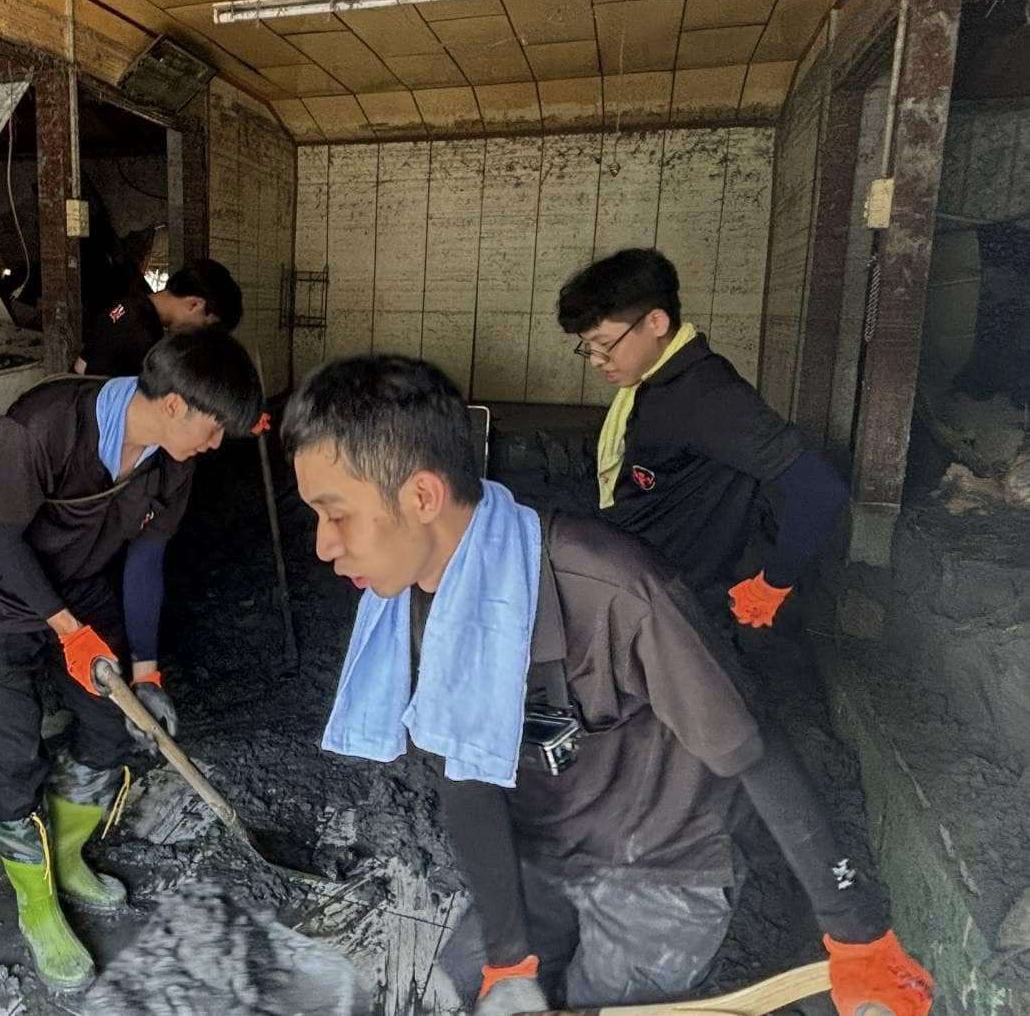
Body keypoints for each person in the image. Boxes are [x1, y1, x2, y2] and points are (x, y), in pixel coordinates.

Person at [281, 353, 933, 1016]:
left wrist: (856, 934)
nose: (323, 545)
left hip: (660, 870)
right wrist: (510, 959)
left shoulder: (616, 591)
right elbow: (464, 775)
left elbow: (753, 751)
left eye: (336, 515)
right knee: (461, 985)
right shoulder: (417, 600)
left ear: (421, 497)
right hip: (544, 855)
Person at [0, 328, 262, 992]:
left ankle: (63, 858)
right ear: (174, 404)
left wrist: (145, 667)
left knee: (112, 726)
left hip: (83, 591)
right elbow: (0, 530)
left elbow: (147, 558)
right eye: (212, 430)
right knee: (10, 758)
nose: (213, 446)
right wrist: (64, 629)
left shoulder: (174, 462)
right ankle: (36, 904)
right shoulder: (44, 424)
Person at [557, 248, 849, 632]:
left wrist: (773, 584)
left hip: (664, 602)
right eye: (588, 347)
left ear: (656, 322)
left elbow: (820, 489)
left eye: (604, 343)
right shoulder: (654, 382)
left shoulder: (709, 397)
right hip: (628, 565)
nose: (596, 359)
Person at [74, 258, 243, 377]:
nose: (198, 336)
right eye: (205, 326)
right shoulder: (142, 334)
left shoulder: (131, 305)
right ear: (195, 305)